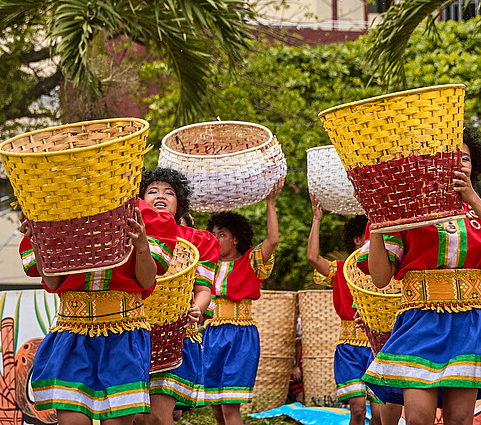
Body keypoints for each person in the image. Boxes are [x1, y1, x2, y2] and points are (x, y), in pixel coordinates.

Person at [364, 126, 481, 425]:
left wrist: (474, 199)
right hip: (420, 321)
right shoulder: (407, 215)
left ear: (473, 164)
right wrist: (376, 226)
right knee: (418, 418)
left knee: (460, 419)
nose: (456, 165)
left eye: (463, 158)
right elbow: (381, 278)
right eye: (447, 159)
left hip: (469, 324)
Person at [19, 201, 177, 424]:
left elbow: (147, 280)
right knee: (72, 421)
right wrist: (38, 242)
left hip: (123, 335)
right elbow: (53, 282)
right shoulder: (54, 211)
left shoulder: (148, 217)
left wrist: (142, 245)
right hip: (73, 334)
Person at [137, 167, 221, 424]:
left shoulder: (201, 240)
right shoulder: (129, 232)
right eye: (152, 191)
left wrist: (197, 308)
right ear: (141, 200)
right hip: (130, 334)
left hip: (176, 335)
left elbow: (204, 289)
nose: (160, 196)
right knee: (136, 418)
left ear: (180, 203)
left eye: (168, 192)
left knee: (158, 418)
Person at [204, 177, 283, 425]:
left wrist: (270, 202)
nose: (215, 239)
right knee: (215, 407)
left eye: (222, 234)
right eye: (213, 234)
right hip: (211, 334)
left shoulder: (251, 261)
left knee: (229, 406)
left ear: (235, 238)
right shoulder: (208, 266)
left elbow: (273, 240)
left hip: (239, 334)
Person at [307, 203, 393, 424]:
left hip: (378, 345)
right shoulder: (341, 269)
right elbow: (313, 258)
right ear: (358, 240)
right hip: (348, 347)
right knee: (357, 410)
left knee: (380, 415)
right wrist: (317, 219)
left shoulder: (388, 272)